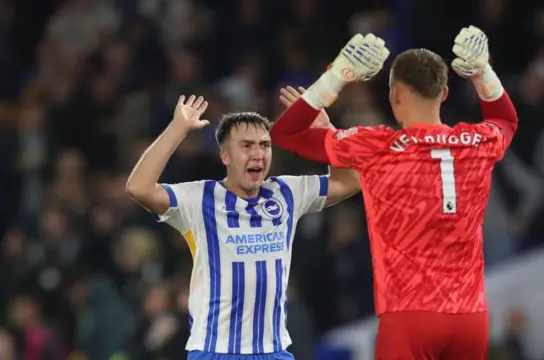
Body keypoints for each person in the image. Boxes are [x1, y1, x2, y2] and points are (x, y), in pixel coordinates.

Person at [270, 26, 518, 359]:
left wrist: (337, 77)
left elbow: (285, 133)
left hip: (410, 316)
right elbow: (506, 120)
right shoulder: (477, 142)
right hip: (470, 316)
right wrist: (482, 72)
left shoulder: (378, 147)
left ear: (395, 94)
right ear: (443, 93)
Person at [125, 87, 365, 359]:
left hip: (273, 351)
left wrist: (326, 132)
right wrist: (177, 129)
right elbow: (139, 187)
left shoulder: (287, 192)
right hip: (216, 351)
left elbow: (349, 181)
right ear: (224, 157)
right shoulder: (199, 198)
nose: (258, 153)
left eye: (264, 145)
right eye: (246, 146)